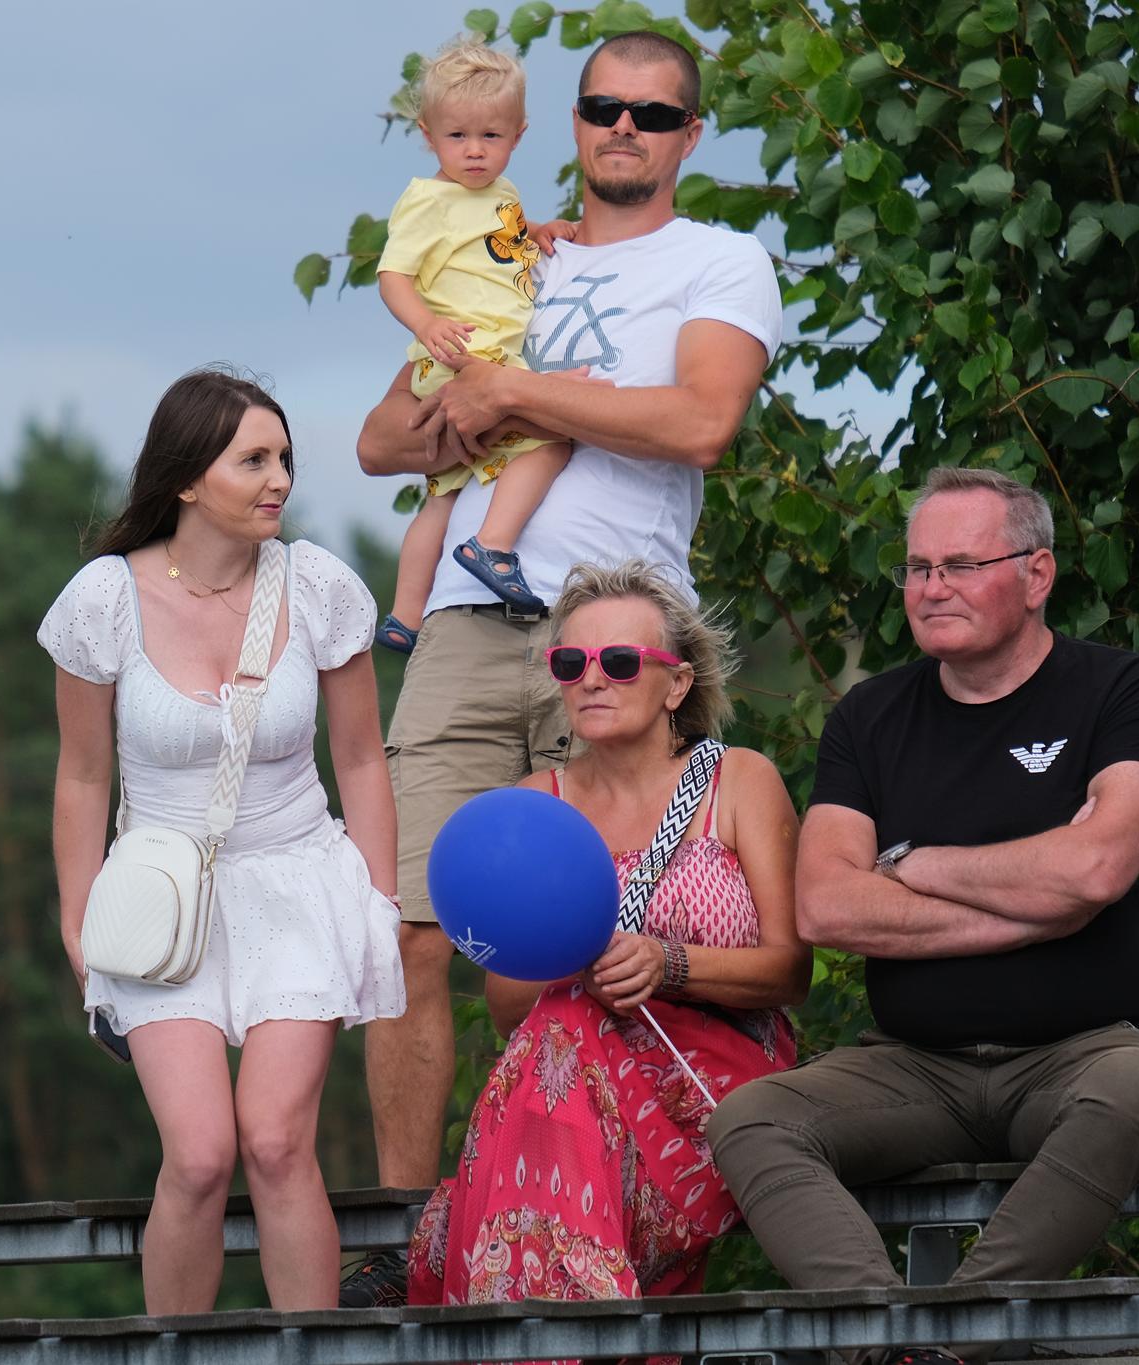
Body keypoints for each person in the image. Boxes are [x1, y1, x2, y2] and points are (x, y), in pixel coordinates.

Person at [345, 29, 783, 1307]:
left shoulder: (716, 260)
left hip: (616, 642)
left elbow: (699, 420)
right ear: (573, 122)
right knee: (410, 933)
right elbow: (381, 442)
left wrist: (520, 394)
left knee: (592, 945)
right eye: (602, 107)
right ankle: (406, 1236)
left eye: (652, 113)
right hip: (466, 626)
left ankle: (600, 1222)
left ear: (689, 135)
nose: (624, 128)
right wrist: (472, 394)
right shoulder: (507, 243)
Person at [707, 466, 1139, 1365]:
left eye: (962, 565)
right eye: (918, 568)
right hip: (914, 1065)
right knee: (750, 1119)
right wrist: (1038, 906)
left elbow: (1095, 867)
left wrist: (914, 861)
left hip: (1085, 1050)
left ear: (1037, 574)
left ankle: (957, 1341)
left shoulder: (1124, 690)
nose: (933, 588)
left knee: (1135, 1089)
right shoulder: (870, 715)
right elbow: (824, 904)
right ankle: (890, 1346)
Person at [40, 368, 406, 1313]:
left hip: (298, 878)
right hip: (160, 897)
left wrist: (376, 899)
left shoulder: (316, 585)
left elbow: (360, 758)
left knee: (277, 1142)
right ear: (188, 479)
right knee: (201, 1154)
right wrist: (78, 924)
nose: (280, 478)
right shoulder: (103, 599)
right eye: (254, 460)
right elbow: (82, 777)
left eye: (284, 458)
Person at [407, 560, 809, 1325]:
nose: (591, 678)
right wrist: (578, 963)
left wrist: (668, 963)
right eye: (571, 662)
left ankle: (544, 1323)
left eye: (619, 660)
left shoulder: (739, 781)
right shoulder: (536, 805)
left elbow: (792, 972)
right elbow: (506, 1007)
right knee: (559, 1028)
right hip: (571, 1084)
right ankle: (569, 1317)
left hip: (713, 1088)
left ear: (677, 683)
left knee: (554, 1051)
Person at [374, 37, 575, 646]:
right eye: (457, 136)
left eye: (491, 136)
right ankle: (493, 546)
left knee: (444, 491)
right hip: (464, 353)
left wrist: (537, 229)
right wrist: (425, 326)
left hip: (483, 356)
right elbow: (393, 276)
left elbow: (499, 234)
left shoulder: (501, 193)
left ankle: (406, 616)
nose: (475, 150)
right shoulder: (427, 201)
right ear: (428, 134)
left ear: (518, 134)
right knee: (553, 437)